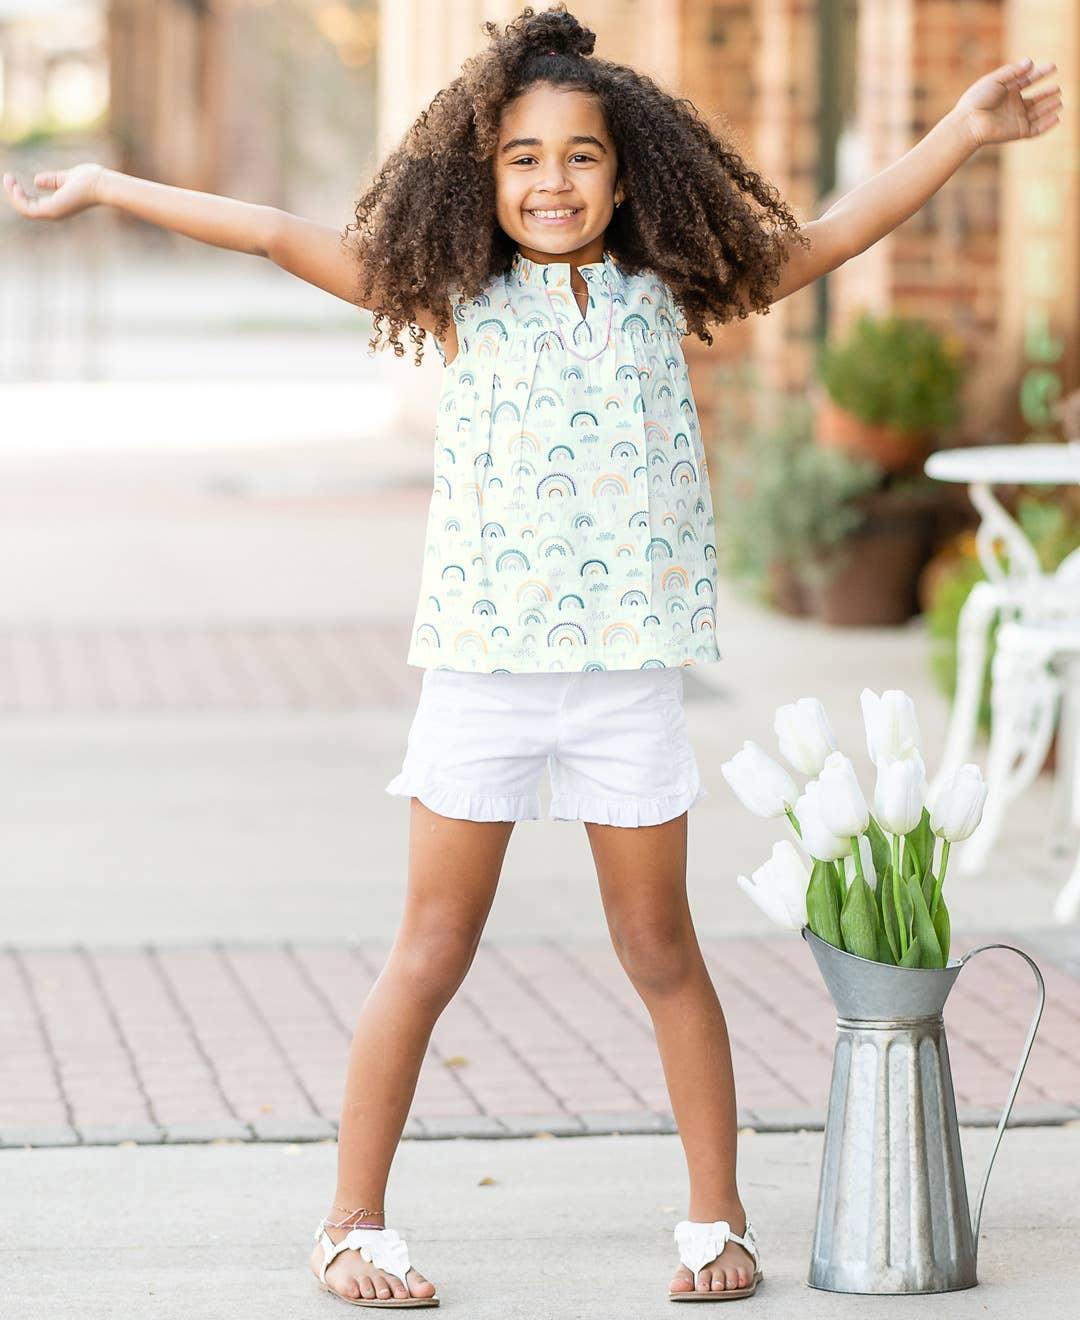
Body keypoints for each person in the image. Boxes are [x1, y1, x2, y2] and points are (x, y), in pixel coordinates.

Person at [3, 3, 1060, 1308]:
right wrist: (106, 181)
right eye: (522, 158)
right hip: (484, 685)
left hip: (625, 690)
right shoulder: (462, 302)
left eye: (579, 157)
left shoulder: (665, 291)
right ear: (480, 175)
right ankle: (351, 1225)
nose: (551, 182)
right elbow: (276, 232)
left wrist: (962, 127)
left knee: (662, 950)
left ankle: (712, 1221)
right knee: (432, 950)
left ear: (627, 174)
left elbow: (833, 235)